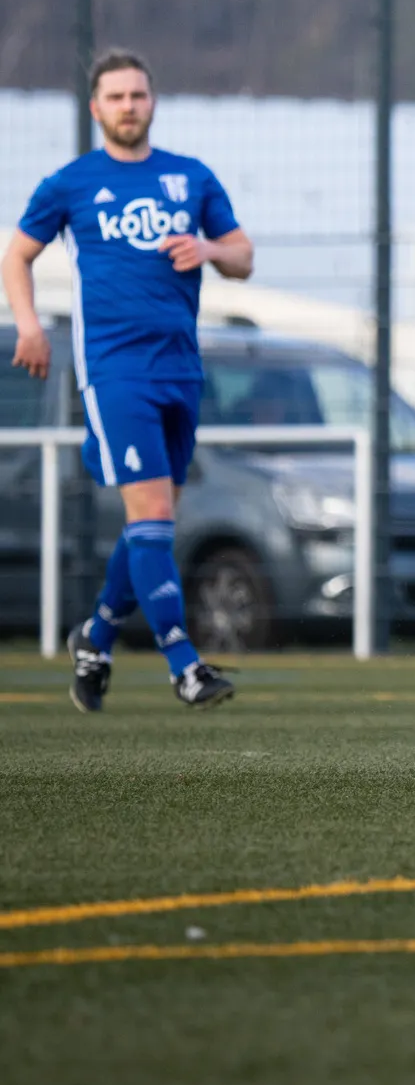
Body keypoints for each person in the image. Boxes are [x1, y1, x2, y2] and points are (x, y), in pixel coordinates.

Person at [2, 49, 253, 710]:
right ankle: (184, 664)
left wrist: (210, 249)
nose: (128, 107)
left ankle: (97, 635)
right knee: (152, 515)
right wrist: (28, 326)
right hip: (115, 372)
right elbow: (17, 255)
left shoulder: (190, 177)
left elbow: (243, 256)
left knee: (153, 521)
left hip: (181, 369)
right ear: (96, 108)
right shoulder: (71, 183)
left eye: (137, 95)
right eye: (115, 97)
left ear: (152, 101)